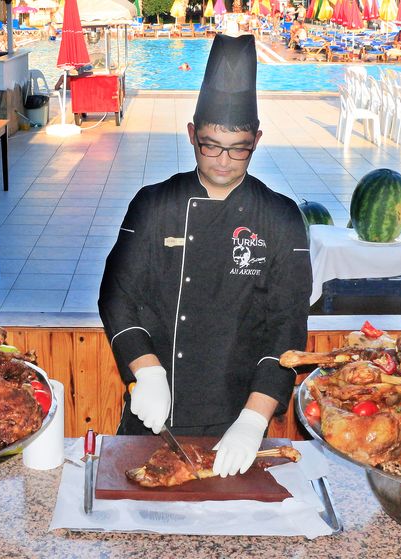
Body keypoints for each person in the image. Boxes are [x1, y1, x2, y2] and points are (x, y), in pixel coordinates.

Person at [99, 33, 311, 478]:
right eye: (211, 144)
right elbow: (117, 296)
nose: (223, 160)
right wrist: (146, 371)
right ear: (192, 134)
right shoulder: (153, 204)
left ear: (257, 140)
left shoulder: (281, 217)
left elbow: (287, 327)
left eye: (239, 148)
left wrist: (253, 420)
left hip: (237, 415)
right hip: (154, 415)